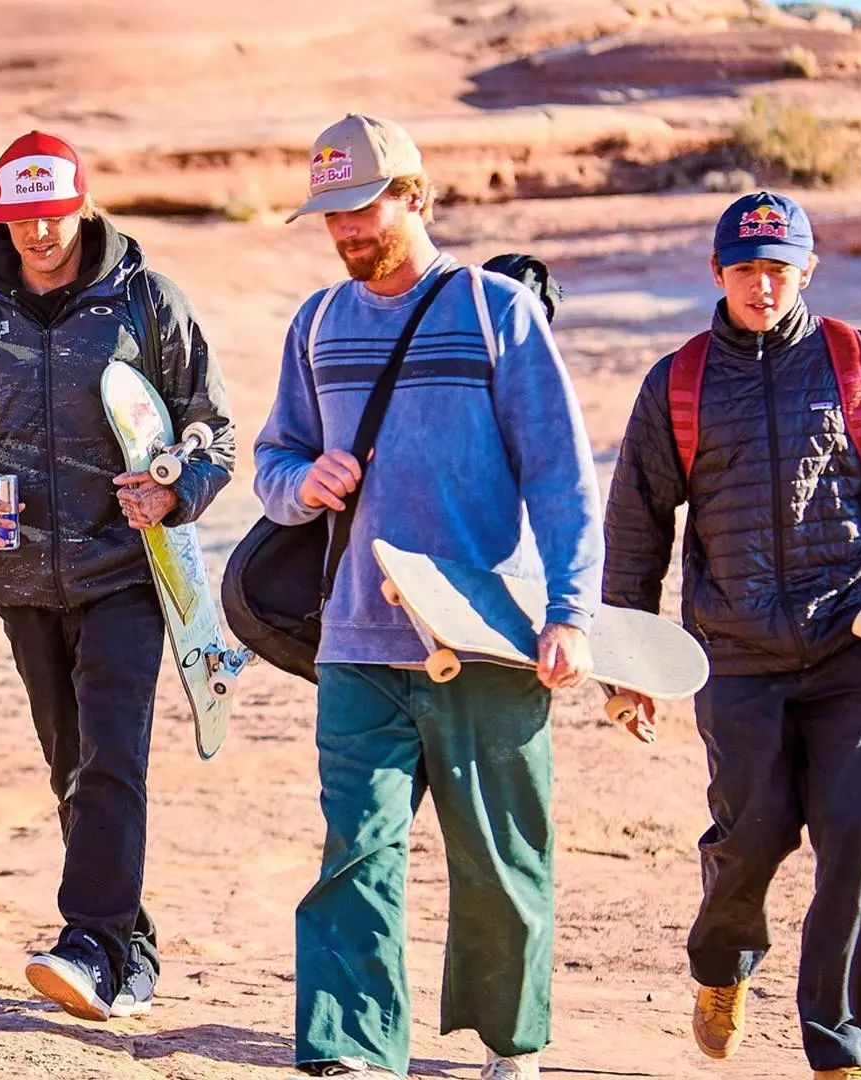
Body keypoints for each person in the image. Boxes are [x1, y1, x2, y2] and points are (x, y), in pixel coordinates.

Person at [602, 191, 861, 1080]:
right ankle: (721, 964)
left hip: (854, 650)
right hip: (735, 661)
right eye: (746, 269)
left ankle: (837, 1051)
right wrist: (625, 667)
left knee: (856, 841)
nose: (763, 285)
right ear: (718, 273)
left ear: (807, 270)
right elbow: (636, 531)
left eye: (780, 268)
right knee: (753, 836)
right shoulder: (679, 382)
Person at [254, 113, 603, 1079]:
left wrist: (571, 613)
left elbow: (564, 479)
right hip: (356, 639)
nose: (345, 232)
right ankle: (355, 1051)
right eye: (330, 216)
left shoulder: (497, 313)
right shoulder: (317, 322)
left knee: (499, 860)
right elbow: (273, 461)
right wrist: (302, 482)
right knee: (355, 858)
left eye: (360, 210)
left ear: (413, 196)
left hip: (487, 639)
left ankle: (509, 1042)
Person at [0, 130, 235, 1022]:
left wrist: (175, 492)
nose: (38, 234)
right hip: (22, 580)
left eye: (52, 215)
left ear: (83, 206)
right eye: (20, 219)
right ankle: (127, 948)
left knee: (111, 756)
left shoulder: (144, 302)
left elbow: (211, 429)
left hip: (129, 573)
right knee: (70, 764)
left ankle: (89, 943)